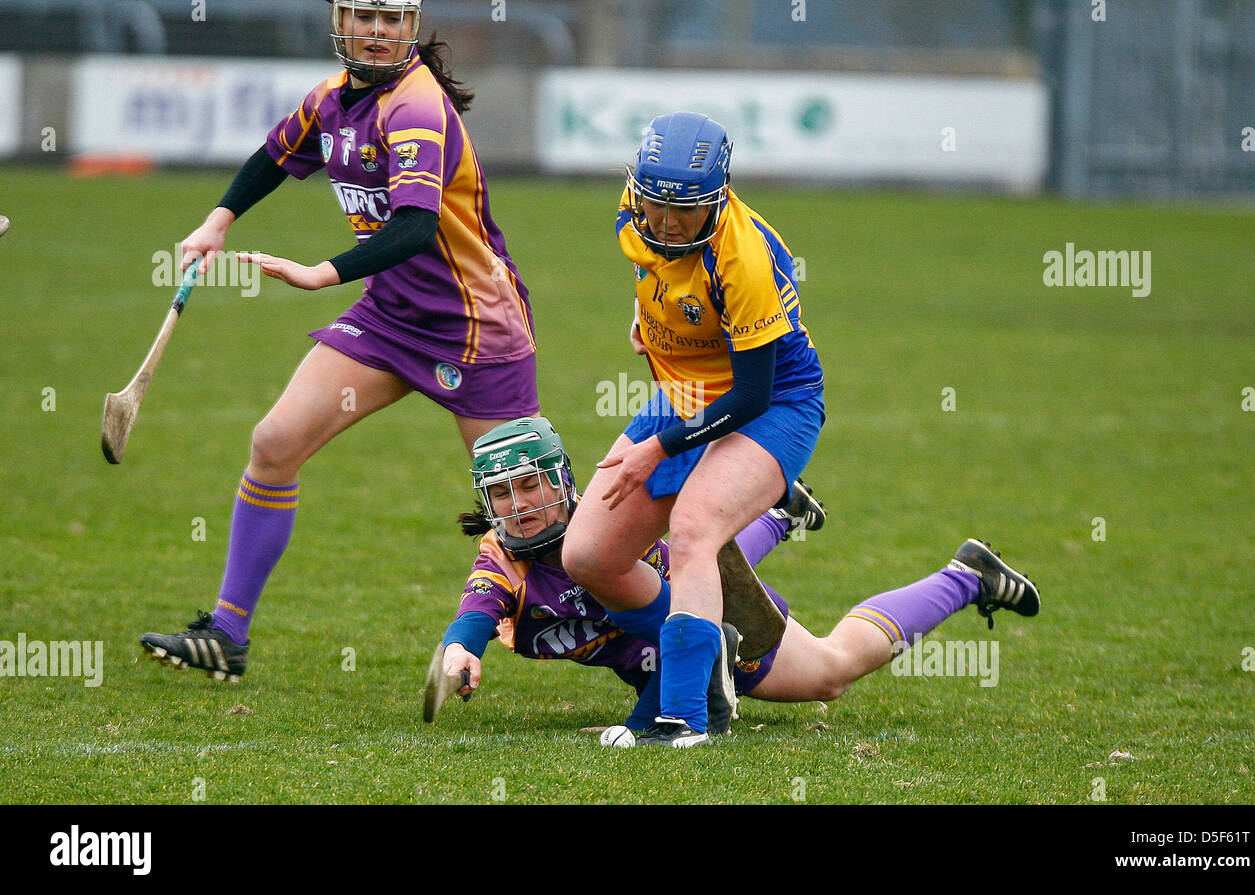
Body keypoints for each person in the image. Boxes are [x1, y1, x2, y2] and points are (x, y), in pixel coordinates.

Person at [140, 0, 538, 681]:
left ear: (410, 26)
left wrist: (320, 272)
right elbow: (273, 156)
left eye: (392, 18)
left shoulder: (413, 107)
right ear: (339, 21)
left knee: (531, 515)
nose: (378, 30)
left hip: (475, 329)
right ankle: (227, 635)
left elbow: (414, 225)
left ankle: (654, 631)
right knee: (273, 443)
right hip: (388, 317)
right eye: (364, 15)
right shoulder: (331, 99)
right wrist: (218, 220)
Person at [439, 418, 1041, 742]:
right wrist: (461, 649)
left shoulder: (603, 543)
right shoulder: (504, 554)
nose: (519, 505)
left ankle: (966, 575)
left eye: (530, 484)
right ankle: (778, 510)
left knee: (830, 673)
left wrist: (643, 722)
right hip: (676, 607)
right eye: (502, 492)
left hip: (706, 622)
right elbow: (478, 606)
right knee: (701, 545)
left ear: (564, 481)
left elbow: (684, 645)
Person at [561, 110, 828, 746]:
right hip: (683, 392)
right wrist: (649, 328)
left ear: (719, 194)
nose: (665, 222)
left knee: (692, 532)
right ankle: (710, 644)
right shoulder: (638, 210)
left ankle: (682, 716)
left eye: (685, 209)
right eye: (655, 204)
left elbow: (754, 392)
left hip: (772, 405)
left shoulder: (745, 260)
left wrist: (655, 448)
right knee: (588, 555)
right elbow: (655, 276)